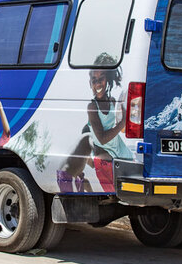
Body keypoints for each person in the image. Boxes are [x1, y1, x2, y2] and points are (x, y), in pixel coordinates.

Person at [57, 52, 133, 192]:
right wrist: (122, 123)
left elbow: (95, 128)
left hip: (114, 146)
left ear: (108, 79)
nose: (98, 83)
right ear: (90, 83)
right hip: (104, 145)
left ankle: (83, 179)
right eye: (94, 80)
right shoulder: (92, 107)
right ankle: (78, 178)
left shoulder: (112, 102)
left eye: (101, 79)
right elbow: (102, 139)